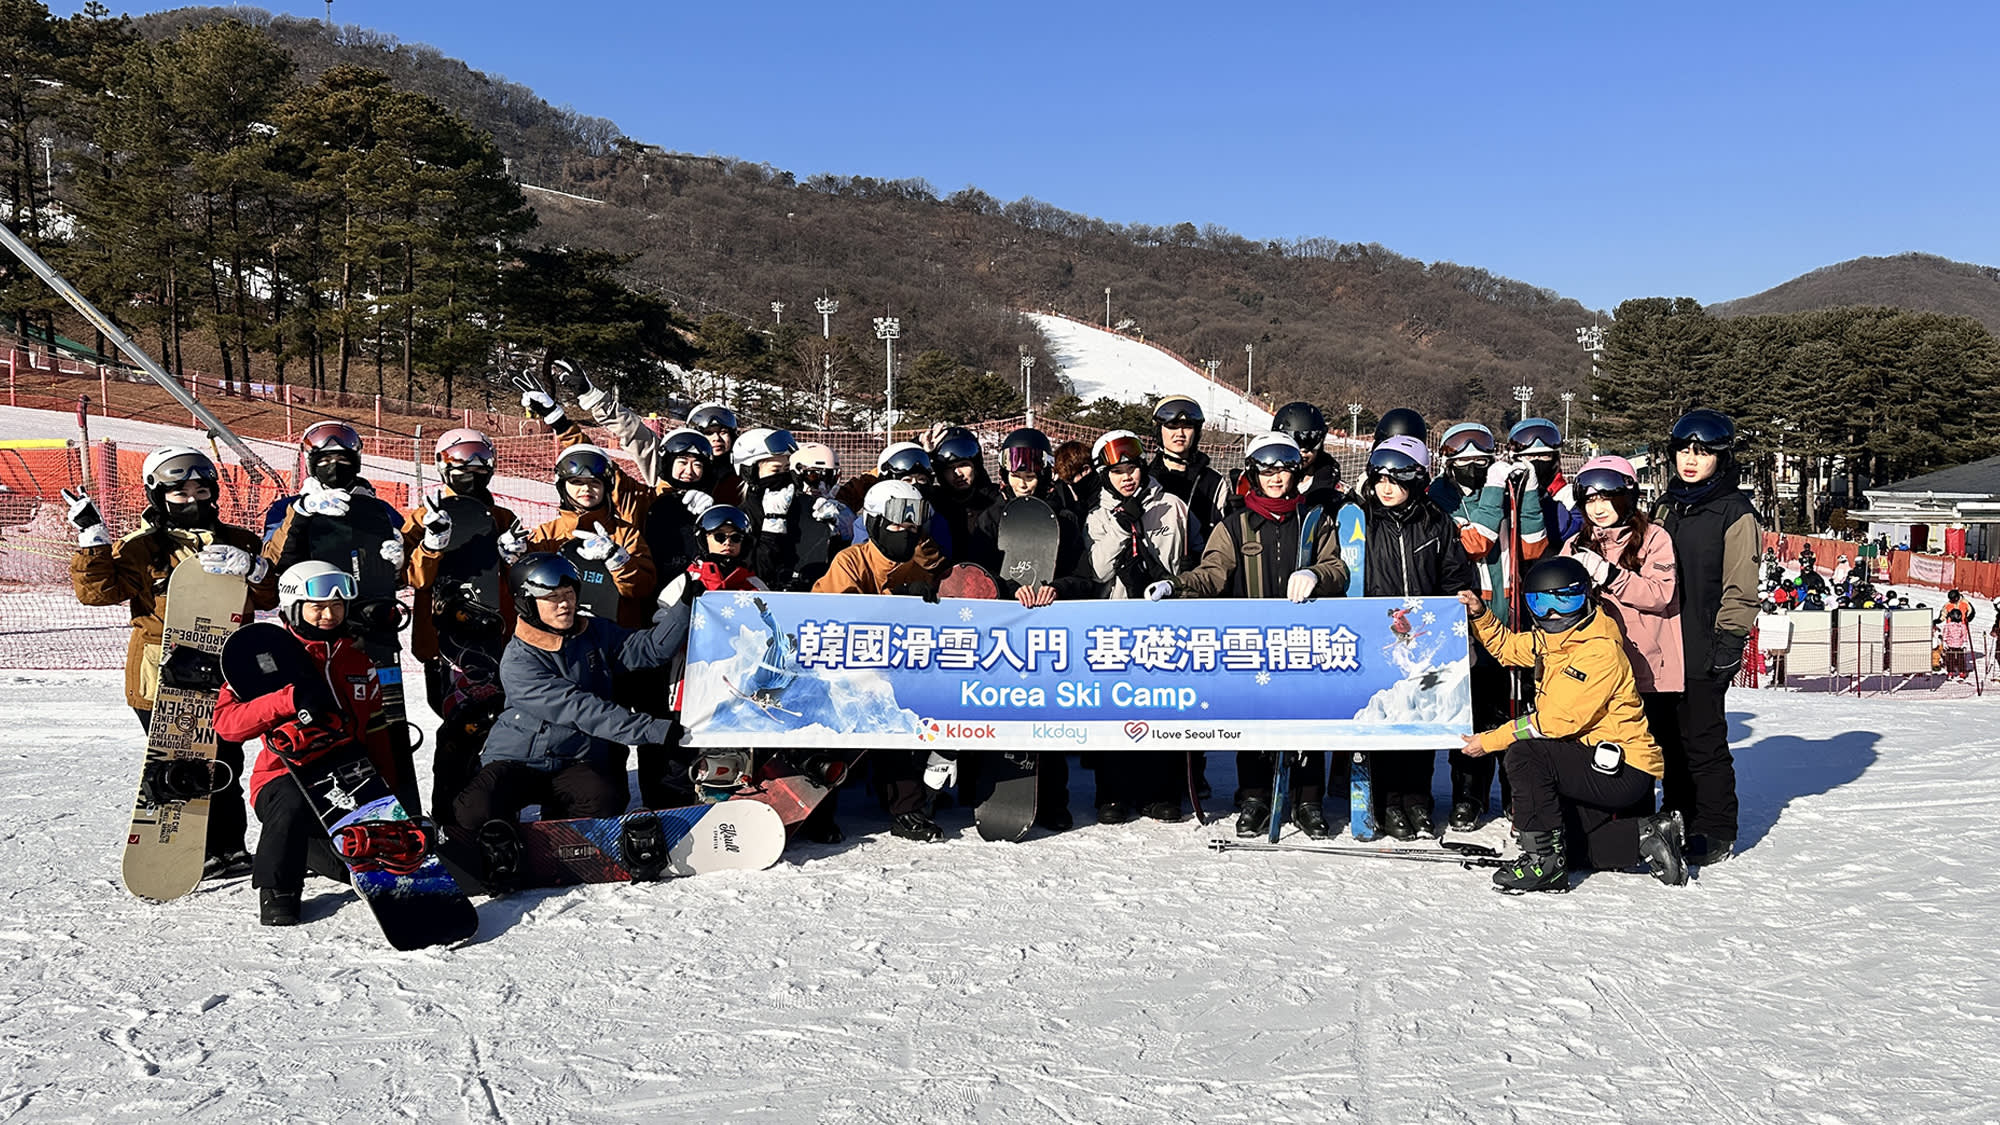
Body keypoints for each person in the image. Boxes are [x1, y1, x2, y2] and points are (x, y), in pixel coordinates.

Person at [66, 445, 276, 880]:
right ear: (158, 495)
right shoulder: (143, 547)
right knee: (179, 765)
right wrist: (93, 540)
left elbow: (269, 597)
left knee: (226, 761)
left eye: (201, 490)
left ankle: (229, 846)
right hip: (163, 674)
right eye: (180, 493)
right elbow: (97, 593)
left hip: (225, 671)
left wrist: (255, 569)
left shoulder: (239, 541)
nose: (192, 500)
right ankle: (183, 849)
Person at [1157, 432, 1349, 837]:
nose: (1276, 478)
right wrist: (1176, 585)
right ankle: (1255, 797)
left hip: (1303, 641)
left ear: (1296, 473)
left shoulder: (1314, 521)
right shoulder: (1235, 526)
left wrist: (1316, 574)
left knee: (1307, 720)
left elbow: (1338, 569)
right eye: (1266, 470)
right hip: (1254, 643)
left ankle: (1308, 800)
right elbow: (1213, 574)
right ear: (1253, 474)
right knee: (1255, 720)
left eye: (1284, 470)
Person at [1457, 557, 1688, 893]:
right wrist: (1480, 614)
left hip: (1623, 768)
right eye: (1541, 603)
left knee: (1525, 754)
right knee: (1567, 844)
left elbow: (1554, 723)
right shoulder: (1551, 642)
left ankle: (1543, 864)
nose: (1553, 614)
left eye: (1566, 600)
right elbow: (1508, 649)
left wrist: (1490, 740)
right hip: (1591, 761)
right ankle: (1648, 835)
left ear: (1586, 597)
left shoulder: (1598, 651)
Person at [453, 553, 692, 865]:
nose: (565, 604)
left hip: (575, 759)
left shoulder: (594, 633)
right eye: (552, 598)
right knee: (475, 808)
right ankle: (499, 843)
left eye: (569, 594)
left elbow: (649, 649)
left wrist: (685, 606)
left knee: (604, 798)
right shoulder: (518, 661)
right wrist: (655, 730)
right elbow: (582, 709)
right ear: (527, 603)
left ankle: (561, 830)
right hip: (519, 760)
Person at [212, 561, 404, 925]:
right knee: (294, 800)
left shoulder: (358, 661)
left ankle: (316, 852)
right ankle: (278, 889)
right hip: (284, 778)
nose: (329, 615)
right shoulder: (263, 655)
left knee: (373, 866)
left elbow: (376, 733)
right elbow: (227, 725)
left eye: (337, 606)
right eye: (318, 607)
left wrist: (390, 798)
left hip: (349, 778)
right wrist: (287, 699)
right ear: (293, 606)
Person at [1349, 435, 1478, 839]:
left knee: (1423, 717)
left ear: (1416, 480)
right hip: (1379, 636)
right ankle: (1389, 802)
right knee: (1387, 717)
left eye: (1396, 480)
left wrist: (1460, 606)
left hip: (1425, 635)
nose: (1385, 488)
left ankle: (1418, 800)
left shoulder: (1435, 521)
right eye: (1379, 479)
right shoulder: (1363, 520)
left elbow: (1453, 573)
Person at [814, 480, 953, 841]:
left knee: (898, 722)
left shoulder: (926, 562)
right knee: (832, 734)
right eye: (896, 523)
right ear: (875, 523)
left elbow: (955, 599)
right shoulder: (851, 560)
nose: (905, 531)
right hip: (842, 671)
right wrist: (899, 597)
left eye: (913, 523)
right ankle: (818, 810)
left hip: (899, 671)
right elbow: (841, 614)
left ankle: (907, 810)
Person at [1428, 422, 1549, 829]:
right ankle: (1469, 795)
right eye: (1467, 462)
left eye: (1483, 461)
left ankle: (1518, 794)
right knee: (1475, 711)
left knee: (1516, 709)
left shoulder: (1502, 491)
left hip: (1512, 617)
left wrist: (1528, 492)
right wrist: (1496, 488)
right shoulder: (1440, 498)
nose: (1476, 468)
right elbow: (1474, 543)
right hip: (1468, 619)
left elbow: (1533, 545)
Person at [1655, 409, 1760, 866]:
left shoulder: (1735, 513)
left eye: (1702, 452)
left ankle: (1715, 826)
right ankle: (1677, 812)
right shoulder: (1666, 505)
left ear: (1721, 457)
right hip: (1662, 645)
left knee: (1703, 741)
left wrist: (1729, 641)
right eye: (1684, 451)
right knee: (1667, 739)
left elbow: (1742, 585)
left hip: (1704, 643)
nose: (1691, 460)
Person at [404, 428, 520, 816]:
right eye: (461, 463)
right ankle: (450, 816)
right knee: (457, 727)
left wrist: (515, 557)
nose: (471, 471)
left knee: (498, 725)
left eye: (480, 463)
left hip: (495, 639)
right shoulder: (422, 517)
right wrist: (430, 545)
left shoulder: (502, 518)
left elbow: (521, 582)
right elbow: (410, 576)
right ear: (443, 466)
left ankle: (497, 812)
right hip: (445, 641)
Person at [1080, 429, 1192, 821]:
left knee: (1161, 705)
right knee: (1116, 706)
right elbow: (1097, 571)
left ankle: (1162, 792)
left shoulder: (1172, 506)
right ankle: (1112, 794)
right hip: (1115, 622)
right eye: (1117, 472)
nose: (1126, 477)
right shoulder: (1097, 516)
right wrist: (1119, 526)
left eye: (1132, 469)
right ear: (1105, 475)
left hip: (1162, 621)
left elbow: (1188, 557)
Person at [1561, 455, 1683, 761]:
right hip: (1595, 670)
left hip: (1646, 668)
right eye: (1590, 500)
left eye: (1607, 498)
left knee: (1645, 755)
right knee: (1600, 756)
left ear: (1627, 497)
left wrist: (1610, 575)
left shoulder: (1654, 538)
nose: (1598, 508)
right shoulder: (1575, 544)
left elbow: (1660, 594)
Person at [506, 445, 656, 627]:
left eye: (595, 483)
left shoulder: (625, 534)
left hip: (614, 632)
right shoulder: (548, 534)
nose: (586, 488)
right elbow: (525, 586)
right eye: (577, 482)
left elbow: (642, 588)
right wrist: (515, 557)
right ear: (563, 486)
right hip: (558, 631)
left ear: (606, 487)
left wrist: (617, 560)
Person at [1147, 396, 1232, 562]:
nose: (1180, 433)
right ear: (1159, 430)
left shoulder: (1213, 482)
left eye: (1187, 426)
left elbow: (1223, 539)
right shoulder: (1145, 479)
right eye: (1172, 426)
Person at [1506, 417, 1581, 544]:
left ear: (1555, 459)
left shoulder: (1570, 495)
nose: (1537, 461)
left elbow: (1571, 529)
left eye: (1544, 456)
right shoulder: (1508, 494)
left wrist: (1542, 500)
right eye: (1529, 457)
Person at [1273, 401, 1347, 520]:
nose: (1302, 451)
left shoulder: (1333, 487)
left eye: (1310, 442)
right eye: (1293, 444)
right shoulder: (1265, 483)